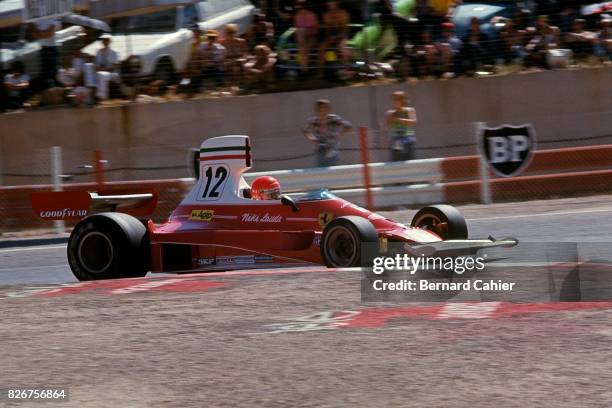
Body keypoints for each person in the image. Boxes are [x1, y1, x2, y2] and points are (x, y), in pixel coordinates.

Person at [303, 99, 352, 167]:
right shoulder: (313, 120)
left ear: (328, 109)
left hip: (332, 149)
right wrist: (312, 139)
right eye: (320, 108)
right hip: (319, 150)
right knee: (319, 172)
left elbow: (348, 126)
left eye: (325, 107)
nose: (322, 110)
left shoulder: (334, 118)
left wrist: (339, 135)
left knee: (333, 171)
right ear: (316, 109)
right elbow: (305, 130)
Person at [319, 1, 350, 74]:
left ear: (336, 4)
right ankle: (321, 71)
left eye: (331, 3)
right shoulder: (326, 15)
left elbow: (345, 28)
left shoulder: (343, 13)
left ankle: (347, 70)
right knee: (321, 48)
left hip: (342, 34)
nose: (329, 5)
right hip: (330, 35)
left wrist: (338, 37)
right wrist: (330, 36)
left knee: (343, 49)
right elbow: (327, 29)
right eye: (328, 4)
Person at [385, 91, 417, 161]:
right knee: (397, 155)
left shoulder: (410, 110)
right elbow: (388, 125)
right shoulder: (390, 113)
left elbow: (413, 122)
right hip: (397, 138)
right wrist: (391, 117)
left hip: (408, 137)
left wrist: (398, 119)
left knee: (409, 157)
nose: (395, 102)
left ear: (403, 100)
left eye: (397, 99)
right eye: (394, 100)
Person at [31, 18, 61, 89]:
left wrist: (40, 33)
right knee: (45, 72)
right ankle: (48, 90)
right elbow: (33, 34)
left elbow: (50, 33)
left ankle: (53, 89)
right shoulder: (38, 19)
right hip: (43, 48)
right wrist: (44, 33)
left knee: (54, 71)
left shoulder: (54, 19)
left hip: (52, 48)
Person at [294, 0, 319, 73]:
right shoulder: (297, 16)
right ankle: (305, 70)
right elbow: (296, 29)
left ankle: (303, 70)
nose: (298, 7)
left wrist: (307, 32)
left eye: (300, 5)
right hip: (301, 40)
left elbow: (316, 30)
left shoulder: (312, 14)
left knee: (303, 49)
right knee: (304, 50)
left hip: (312, 37)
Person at [94, 34, 120, 100]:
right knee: (88, 67)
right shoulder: (98, 52)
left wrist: (102, 69)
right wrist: (98, 69)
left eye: (106, 40)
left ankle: (102, 97)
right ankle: (91, 92)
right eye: (103, 40)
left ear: (109, 41)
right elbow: (96, 65)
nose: (105, 42)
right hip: (100, 71)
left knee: (101, 74)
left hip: (112, 74)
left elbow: (114, 67)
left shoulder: (114, 53)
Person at [222, 24, 247, 90]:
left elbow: (245, 53)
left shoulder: (241, 41)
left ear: (235, 32)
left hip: (239, 60)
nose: (231, 34)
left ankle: (238, 84)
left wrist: (243, 58)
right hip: (228, 61)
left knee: (237, 66)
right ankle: (235, 85)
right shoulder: (224, 43)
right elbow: (223, 56)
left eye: (233, 32)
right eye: (229, 33)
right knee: (233, 66)